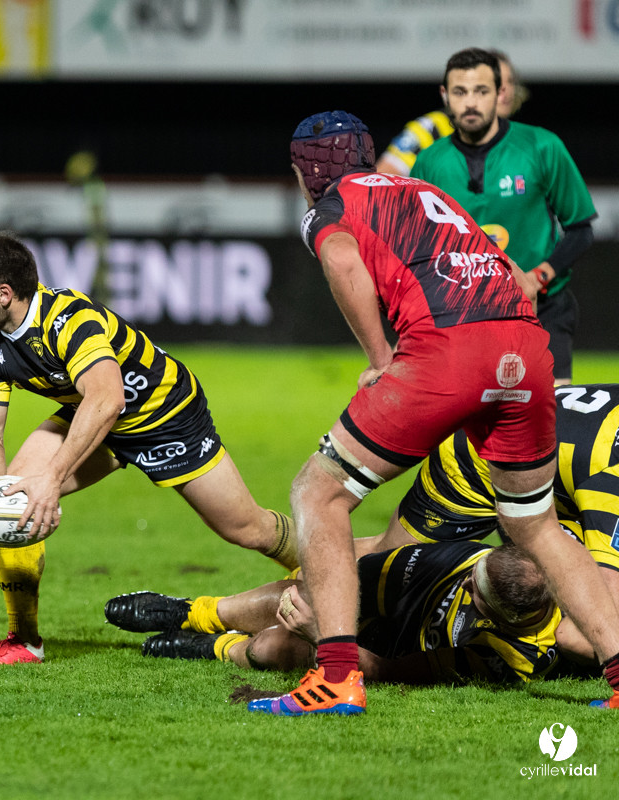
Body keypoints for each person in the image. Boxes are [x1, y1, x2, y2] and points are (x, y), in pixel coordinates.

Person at [253, 109, 619, 716]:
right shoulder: (422, 188)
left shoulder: (329, 207)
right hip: (527, 346)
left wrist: (381, 356)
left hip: (452, 349)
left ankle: (337, 678)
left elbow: (343, 262)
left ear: (306, 173)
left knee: (319, 495)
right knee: (534, 523)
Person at [0, 232, 297, 664]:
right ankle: (24, 640)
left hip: (165, 415)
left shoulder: (69, 318)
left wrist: (51, 479)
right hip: (90, 417)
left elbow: (109, 397)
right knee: (16, 500)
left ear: (3, 294)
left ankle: (330, 570)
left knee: (248, 529)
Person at [355, 383, 619, 669]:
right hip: (477, 461)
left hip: (540, 466)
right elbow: (585, 634)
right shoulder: (611, 488)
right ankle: (307, 580)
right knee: (390, 562)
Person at [105, 541, 560, 685]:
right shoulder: (467, 562)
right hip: (392, 606)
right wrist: (322, 597)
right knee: (303, 592)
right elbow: (366, 573)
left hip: (394, 654)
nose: (466, 580)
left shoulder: (512, 656)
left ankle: (217, 647)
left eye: (473, 591)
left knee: (276, 646)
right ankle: (193, 611)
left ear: (502, 617)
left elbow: (390, 670)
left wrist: (325, 633)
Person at [411, 47, 596, 385]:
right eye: (460, 92)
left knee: (552, 425)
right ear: (444, 96)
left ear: (499, 94)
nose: (470, 102)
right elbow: (417, 248)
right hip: (465, 316)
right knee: (467, 432)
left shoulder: (542, 146)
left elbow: (581, 229)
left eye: (481, 91)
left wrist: (538, 278)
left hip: (543, 311)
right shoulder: (428, 163)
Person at [376, 49, 526, 177]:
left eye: (511, 81)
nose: (505, 90)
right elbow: (379, 181)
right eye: (497, 81)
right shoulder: (432, 129)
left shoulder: (523, 141)